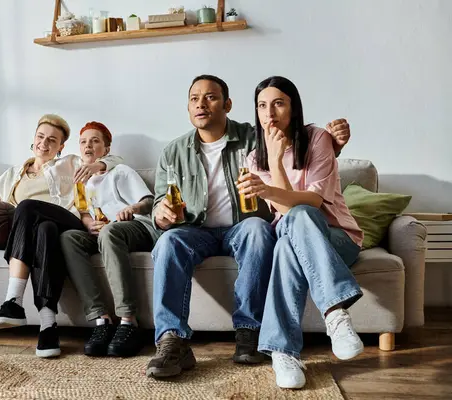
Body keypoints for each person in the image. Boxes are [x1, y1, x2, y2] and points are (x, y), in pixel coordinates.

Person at [145, 74, 352, 379]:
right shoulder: (172, 153)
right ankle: (171, 340)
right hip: (195, 230)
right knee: (168, 242)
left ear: (228, 104)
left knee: (257, 228)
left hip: (241, 227)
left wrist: (334, 145)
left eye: (211, 97)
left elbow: (296, 149)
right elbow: (160, 204)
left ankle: (248, 332)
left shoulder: (254, 139)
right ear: (188, 107)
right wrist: (161, 214)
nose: (201, 104)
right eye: (194, 99)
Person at [239, 76, 364, 389]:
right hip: (292, 238)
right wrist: (274, 157)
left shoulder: (318, 138)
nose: (270, 113)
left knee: (301, 216)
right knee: (287, 242)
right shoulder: (255, 158)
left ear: (293, 108)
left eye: (279, 103)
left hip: (338, 238)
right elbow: (284, 212)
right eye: (262, 106)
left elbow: (312, 201)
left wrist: (277, 165)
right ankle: (333, 318)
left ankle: (287, 346)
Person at [0, 114, 124, 358]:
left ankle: (12, 300)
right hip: (41, 233)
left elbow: (115, 159)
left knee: (28, 207)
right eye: (40, 137)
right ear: (33, 139)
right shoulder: (12, 174)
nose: (44, 143)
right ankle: (48, 326)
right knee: (43, 230)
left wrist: (98, 165)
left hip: (68, 222)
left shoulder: (70, 162)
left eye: (52, 140)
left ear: (61, 146)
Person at [60, 122, 160, 358]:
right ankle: (100, 319)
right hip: (102, 233)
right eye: (84, 141)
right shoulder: (81, 182)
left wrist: (131, 208)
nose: (88, 145)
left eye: (95, 141)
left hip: (135, 228)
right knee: (69, 238)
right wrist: (87, 223)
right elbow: (84, 212)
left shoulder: (121, 170)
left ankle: (128, 321)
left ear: (106, 149)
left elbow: (148, 201)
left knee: (110, 232)